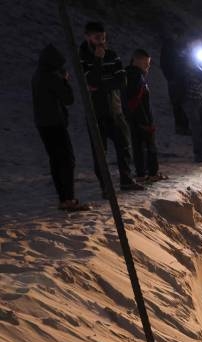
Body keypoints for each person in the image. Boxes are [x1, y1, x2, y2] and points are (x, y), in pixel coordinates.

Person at [79, 21, 143, 193]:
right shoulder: (82, 57)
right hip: (96, 112)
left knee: (124, 146)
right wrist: (98, 60)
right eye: (97, 37)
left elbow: (122, 81)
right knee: (100, 152)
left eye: (103, 37)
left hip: (115, 109)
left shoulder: (112, 55)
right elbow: (90, 80)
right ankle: (106, 187)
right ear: (88, 37)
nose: (101, 41)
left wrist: (101, 84)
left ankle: (126, 181)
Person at [32, 44, 88, 211]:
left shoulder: (37, 75)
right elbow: (68, 99)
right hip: (55, 124)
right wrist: (65, 81)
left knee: (55, 162)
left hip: (42, 124)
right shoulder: (51, 76)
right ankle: (69, 199)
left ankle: (63, 199)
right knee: (67, 161)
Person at [124, 49, 164, 182]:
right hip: (141, 118)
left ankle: (141, 173)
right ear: (137, 61)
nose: (148, 66)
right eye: (146, 63)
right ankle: (152, 173)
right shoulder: (136, 77)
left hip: (133, 117)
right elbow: (136, 100)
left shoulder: (129, 74)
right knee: (148, 146)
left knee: (138, 145)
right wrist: (146, 122)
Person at [159, 29, 189, 135]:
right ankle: (181, 127)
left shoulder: (178, 47)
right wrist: (170, 77)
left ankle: (183, 126)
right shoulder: (169, 47)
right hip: (175, 79)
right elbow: (165, 64)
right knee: (178, 103)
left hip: (180, 78)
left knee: (182, 102)